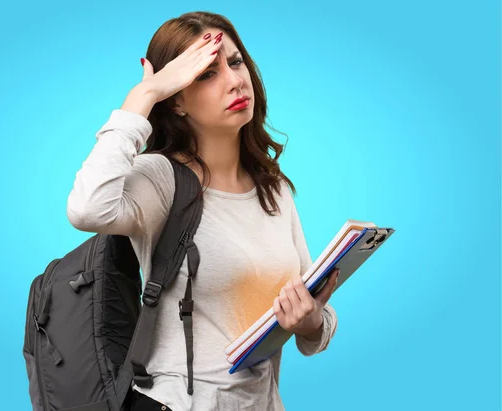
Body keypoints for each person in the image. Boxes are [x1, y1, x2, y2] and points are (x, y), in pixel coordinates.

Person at [67, 10, 339, 411]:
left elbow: (317, 320)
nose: (234, 81)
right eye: (206, 74)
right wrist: (144, 95)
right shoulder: (161, 180)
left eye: (235, 61)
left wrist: (309, 322)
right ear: (176, 100)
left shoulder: (273, 188)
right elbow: (87, 209)